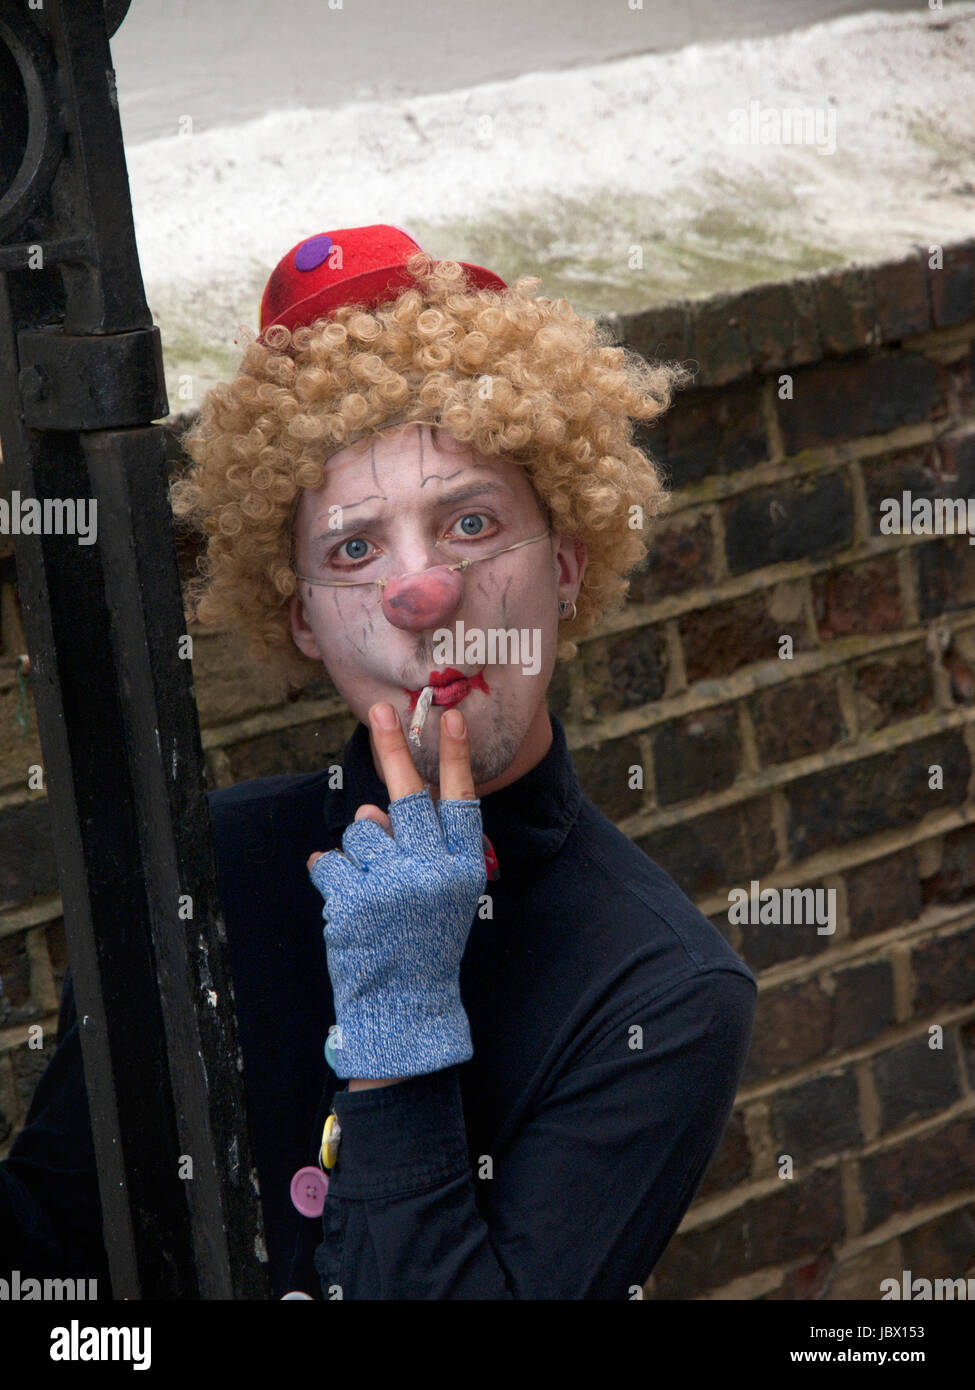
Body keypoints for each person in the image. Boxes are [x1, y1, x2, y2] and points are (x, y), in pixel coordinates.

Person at [1, 225, 756, 1299]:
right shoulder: (194, 865)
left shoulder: (666, 991)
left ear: (570, 567)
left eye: (474, 521)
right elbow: (47, 1253)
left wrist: (400, 1040)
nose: (425, 595)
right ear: (303, 618)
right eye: (355, 548)